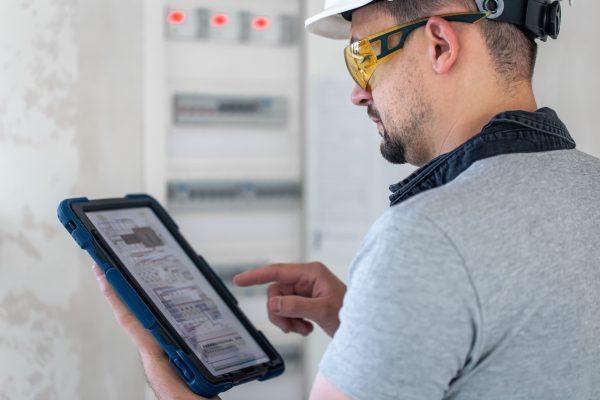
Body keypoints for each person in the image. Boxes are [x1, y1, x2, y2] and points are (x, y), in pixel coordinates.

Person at [94, 0, 600, 399]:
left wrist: (165, 373)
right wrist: (370, 321)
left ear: (440, 44)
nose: (357, 92)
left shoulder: (428, 238)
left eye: (361, 56)